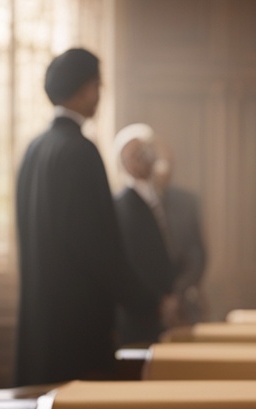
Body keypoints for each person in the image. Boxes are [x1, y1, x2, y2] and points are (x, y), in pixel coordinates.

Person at [14, 49, 158, 385]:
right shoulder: (80, 150)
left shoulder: (35, 149)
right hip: (77, 327)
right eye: (98, 85)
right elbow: (99, 246)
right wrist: (145, 302)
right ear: (86, 89)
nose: (99, 94)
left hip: (40, 321)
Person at [112, 124, 178, 344]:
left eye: (146, 152)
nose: (143, 158)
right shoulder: (120, 205)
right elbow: (130, 261)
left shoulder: (163, 198)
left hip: (168, 305)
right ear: (122, 161)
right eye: (135, 154)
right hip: (141, 310)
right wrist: (156, 302)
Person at [152, 142, 207, 325]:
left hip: (183, 302)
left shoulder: (187, 202)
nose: (164, 168)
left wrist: (177, 294)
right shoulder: (127, 204)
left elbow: (197, 255)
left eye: (168, 162)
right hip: (149, 303)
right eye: (159, 161)